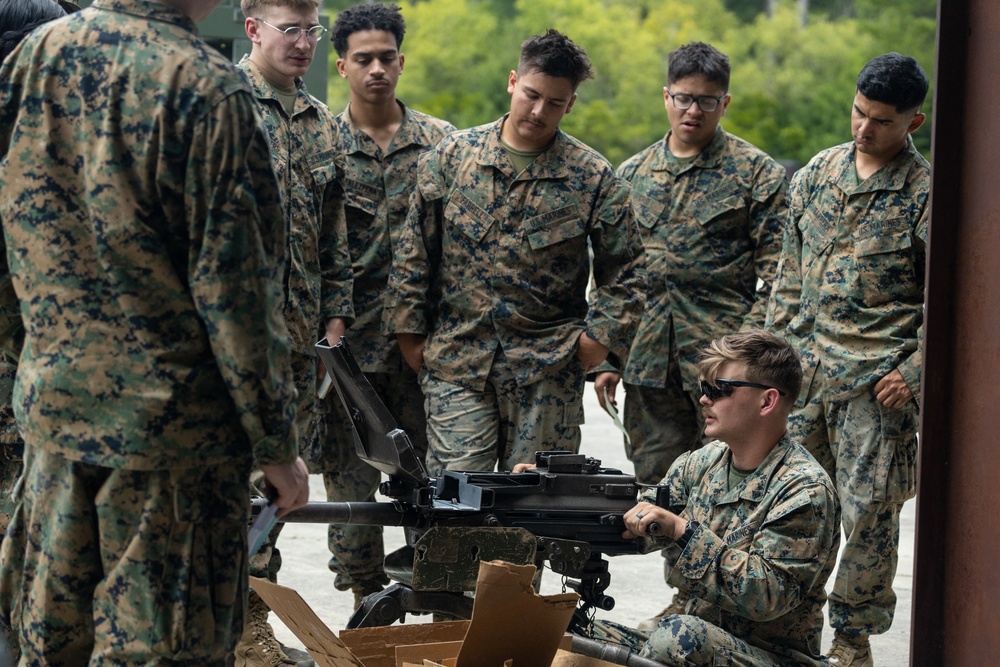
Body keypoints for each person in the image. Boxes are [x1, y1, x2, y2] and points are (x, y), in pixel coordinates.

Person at [0, 0, 310, 664]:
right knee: (162, 650)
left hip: (54, 418)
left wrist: (27, 365)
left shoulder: (38, 56)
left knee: (50, 643)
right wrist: (276, 441)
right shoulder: (206, 85)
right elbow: (236, 291)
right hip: (171, 448)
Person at [383, 28, 645, 477]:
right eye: (531, 94)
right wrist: (411, 339)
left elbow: (628, 275)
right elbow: (413, 256)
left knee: (533, 507)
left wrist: (595, 344)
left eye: (556, 103)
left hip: (548, 370)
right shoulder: (453, 157)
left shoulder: (592, 176)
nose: (539, 111)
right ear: (512, 82)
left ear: (571, 104)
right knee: (455, 501)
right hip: (457, 363)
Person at [592, 41, 787, 627]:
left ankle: (717, 602)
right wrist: (607, 354)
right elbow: (614, 276)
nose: (693, 111)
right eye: (682, 99)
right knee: (662, 489)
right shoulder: (630, 177)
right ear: (666, 97)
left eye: (706, 101)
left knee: (726, 484)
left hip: (724, 371)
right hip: (648, 364)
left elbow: (779, 271)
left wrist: (756, 364)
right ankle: (684, 598)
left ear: (724, 102)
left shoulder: (755, 175)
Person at [765, 52, 929, 667]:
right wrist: (769, 357)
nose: (864, 129)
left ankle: (852, 640)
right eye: (859, 113)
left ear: (913, 123)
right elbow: (787, 278)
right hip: (805, 374)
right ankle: (786, 621)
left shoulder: (924, 193)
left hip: (875, 384)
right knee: (792, 503)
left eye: (882, 121)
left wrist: (913, 373)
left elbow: (954, 300)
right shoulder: (816, 174)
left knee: (868, 518)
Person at [587, 329, 840, 666]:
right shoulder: (704, 462)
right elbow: (638, 515)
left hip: (772, 657)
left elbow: (766, 596)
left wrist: (682, 531)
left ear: (767, 401)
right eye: (703, 389)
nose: (704, 399)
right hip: (697, 641)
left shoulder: (803, 490)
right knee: (576, 631)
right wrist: (555, 495)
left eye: (718, 389)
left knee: (679, 636)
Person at [316, 2, 454, 610]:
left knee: (429, 485)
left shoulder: (444, 145)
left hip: (423, 350)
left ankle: (430, 606)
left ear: (401, 61)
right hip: (349, 352)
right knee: (351, 485)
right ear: (341, 64)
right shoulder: (320, 143)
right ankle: (366, 604)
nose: (377, 69)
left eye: (387, 58)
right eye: (363, 59)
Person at [234, 0, 354, 664]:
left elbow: (335, 234)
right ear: (252, 30)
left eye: (313, 31)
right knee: (231, 480)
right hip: (232, 338)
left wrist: (334, 314)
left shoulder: (322, 126)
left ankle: (253, 614)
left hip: (297, 344)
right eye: (291, 30)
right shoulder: (224, 107)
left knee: (277, 487)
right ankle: (230, 616)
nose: (305, 44)